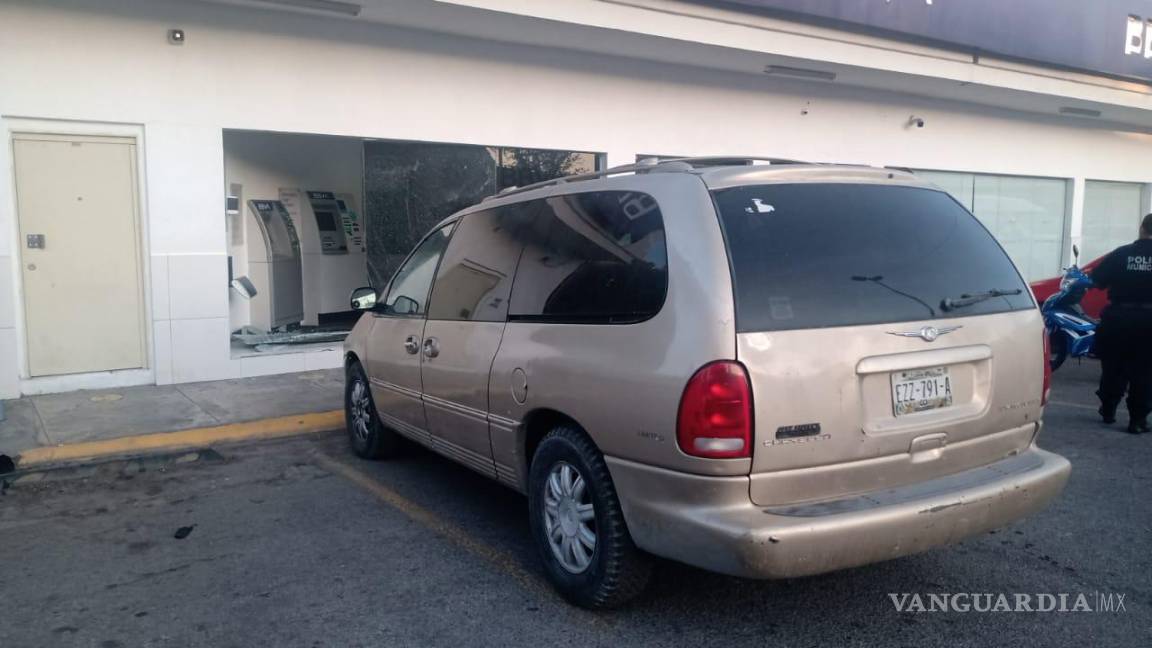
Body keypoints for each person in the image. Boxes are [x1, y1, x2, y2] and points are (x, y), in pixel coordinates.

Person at [1091, 212, 1152, 434]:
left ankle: (1108, 409)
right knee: (1145, 371)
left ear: (1142, 229)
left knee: (1113, 366)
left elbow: (1096, 281)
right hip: (1149, 322)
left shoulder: (1121, 254)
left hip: (1118, 318)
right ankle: (1137, 419)